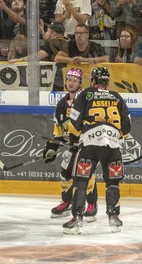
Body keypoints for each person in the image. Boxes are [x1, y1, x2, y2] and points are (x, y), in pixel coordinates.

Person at [64, 67, 132, 234]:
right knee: (113, 182)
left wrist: (75, 139)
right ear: (107, 82)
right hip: (113, 146)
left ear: (92, 80)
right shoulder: (117, 96)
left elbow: (74, 124)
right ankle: (114, 217)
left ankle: (77, 218)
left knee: (81, 182)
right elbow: (127, 126)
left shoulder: (85, 94)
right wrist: (114, 136)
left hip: (89, 145)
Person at [43, 67, 99, 221]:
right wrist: (52, 146)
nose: (71, 83)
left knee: (87, 174)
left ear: (81, 83)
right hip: (71, 146)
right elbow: (58, 128)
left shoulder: (85, 99)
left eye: (75, 80)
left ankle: (92, 204)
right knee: (65, 173)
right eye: (69, 79)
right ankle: (66, 201)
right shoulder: (61, 103)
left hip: (86, 145)